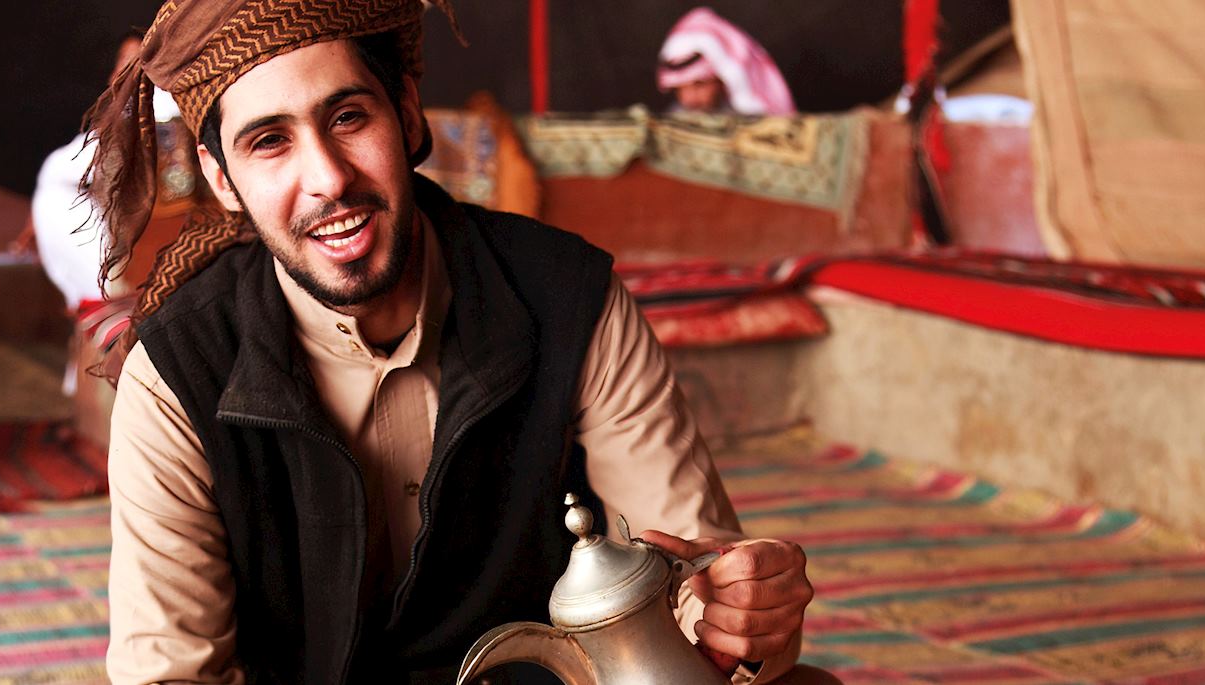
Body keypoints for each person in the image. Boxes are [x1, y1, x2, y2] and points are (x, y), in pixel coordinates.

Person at [82, 1, 820, 682]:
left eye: (347, 118)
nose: (328, 180)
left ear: (405, 113)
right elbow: (170, 672)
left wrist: (738, 615)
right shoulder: (178, 372)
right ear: (222, 178)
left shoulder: (567, 300)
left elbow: (690, 575)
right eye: (270, 142)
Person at [657, 7, 796, 116]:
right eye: (681, 89)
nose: (690, 99)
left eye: (699, 84)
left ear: (721, 78)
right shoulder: (673, 118)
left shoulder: (748, 121)